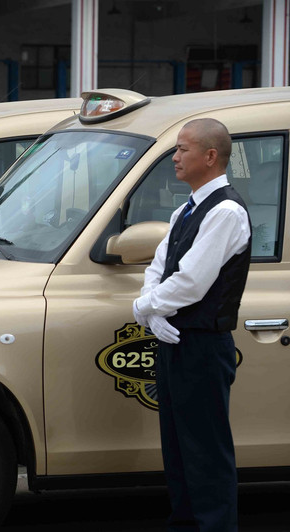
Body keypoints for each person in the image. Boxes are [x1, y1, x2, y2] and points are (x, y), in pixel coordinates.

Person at [132, 118, 250, 532]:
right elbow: (158, 267)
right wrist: (153, 311)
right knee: (178, 448)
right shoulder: (187, 209)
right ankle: (185, 523)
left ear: (210, 156)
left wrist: (146, 308)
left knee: (206, 451)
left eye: (183, 149)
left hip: (202, 344)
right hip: (175, 342)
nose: (175, 157)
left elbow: (192, 282)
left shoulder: (226, 212)